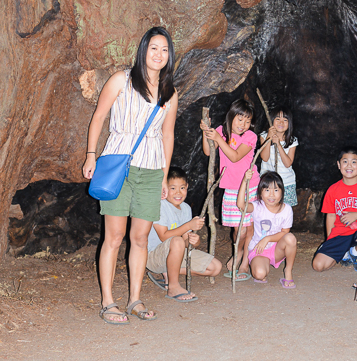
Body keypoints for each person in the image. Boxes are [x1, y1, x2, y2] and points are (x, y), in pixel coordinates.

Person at [82, 26, 178, 325]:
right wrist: (90, 155)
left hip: (150, 170)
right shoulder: (121, 80)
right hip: (118, 165)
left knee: (140, 237)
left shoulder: (169, 92)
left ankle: (135, 299)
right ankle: (108, 301)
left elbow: (168, 135)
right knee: (114, 236)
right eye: (154, 48)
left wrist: (163, 175)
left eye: (164, 50)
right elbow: (99, 116)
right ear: (143, 49)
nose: (158, 54)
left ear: (169, 56)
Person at [200, 98, 258, 281]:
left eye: (247, 120)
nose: (243, 124)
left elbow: (234, 157)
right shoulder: (220, 131)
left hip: (249, 185)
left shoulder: (250, 136)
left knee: (248, 228)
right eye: (240, 119)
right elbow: (208, 151)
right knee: (238, 229)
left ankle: (242, 260)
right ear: (231, 116)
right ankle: (238, 252)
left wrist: (218, 138)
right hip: (231, 187)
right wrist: (206, 132)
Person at [146, 166, 222, 301]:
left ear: (187, 187)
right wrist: (188, 225)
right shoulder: (160, 205)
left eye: (182, 187)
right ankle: (173, 287)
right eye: (173, 188)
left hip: (175, 253)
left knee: (215, 268)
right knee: (177, 241)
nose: (178, 193)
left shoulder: (186, 208)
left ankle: (168, 272)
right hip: (154, 257)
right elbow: (163, 236)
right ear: (164, 188)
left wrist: (194, 241)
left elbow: (186, 241)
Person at [312, 148, 357, 273]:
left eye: (354, 162)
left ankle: (355, 252)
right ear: (339, 165)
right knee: (318, 266)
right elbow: (331, 216)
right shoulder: (333, 190)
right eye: (345, 162)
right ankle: (345, 253)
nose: (349, 165)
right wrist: (329, 240)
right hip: (340, 234)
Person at [237, 168, 297, 288]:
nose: (271, 194)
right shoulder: (258, 206)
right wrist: (244, 181)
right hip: (259, 250)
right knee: (259, 274)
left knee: (290, 238)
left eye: (276, 190)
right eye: (267, 190)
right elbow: (241, 206)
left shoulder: (286, 209)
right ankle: (260, 265)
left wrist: (267, 239)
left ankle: (288, 271)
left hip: (276, 249)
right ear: (260, 192)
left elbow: (285, 232)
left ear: (282, 192)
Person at [259, 106, 298, 206]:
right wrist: (269, 137)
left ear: (289, 124)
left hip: (286, 182)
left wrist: (279, 145)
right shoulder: (264, 136)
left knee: (284, 210)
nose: (281, 123)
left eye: (285, 120)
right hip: (267, 182)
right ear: (272, 121)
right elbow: (264, 157)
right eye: (278, 119)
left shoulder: (292, 141)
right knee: (267, 209)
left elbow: (288, 163)